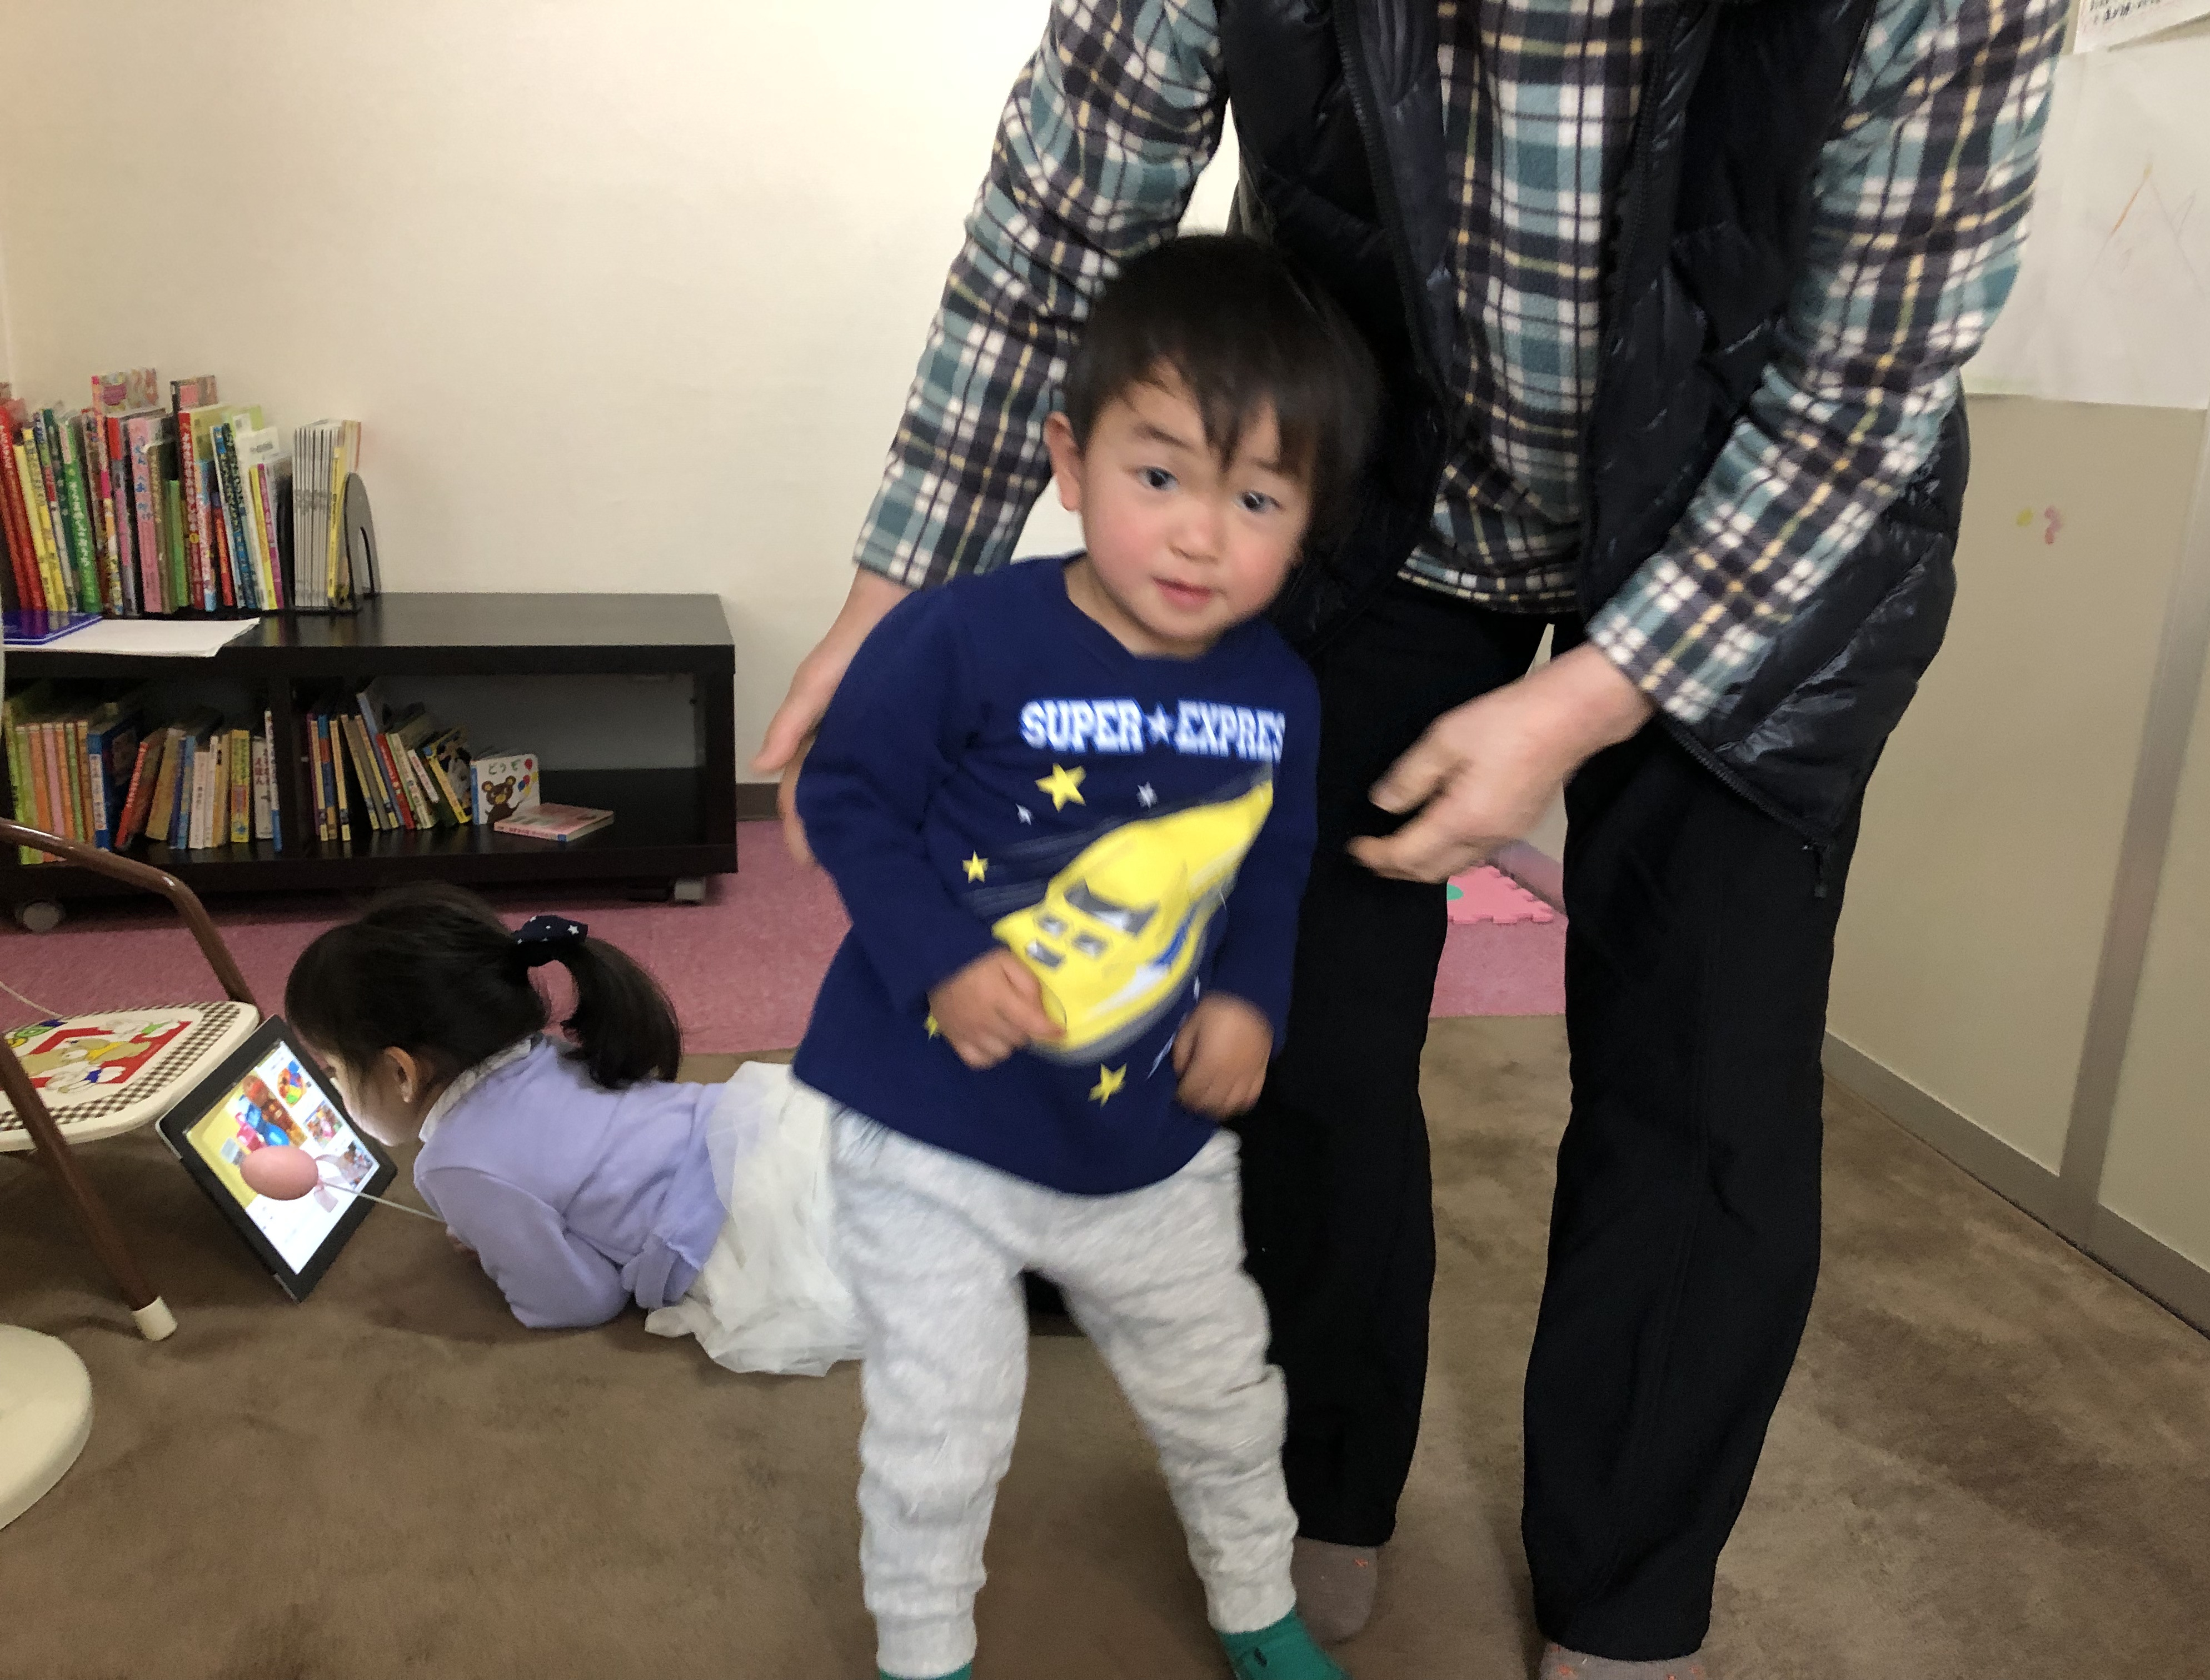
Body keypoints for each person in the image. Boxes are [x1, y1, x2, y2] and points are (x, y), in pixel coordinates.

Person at [757, 3, 2066, 1674]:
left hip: (1758, 517)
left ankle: (1628, 1590)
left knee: (1709, 1069)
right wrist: (899, 593)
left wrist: (1585, 701)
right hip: (1385, 499)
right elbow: (1063, 219)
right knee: (1300, 1020)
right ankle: (1314, 1481)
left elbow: (1866, 388)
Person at [790, 235, 1376, 1680]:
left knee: (1226, 1398)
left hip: (1149, 1143)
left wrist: (1250, 999)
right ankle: (923, 1653)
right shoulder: (960, 635)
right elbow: (846, 798)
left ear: (1308, 521)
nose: (1200, 537)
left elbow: (1275, 866)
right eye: (1160, 475)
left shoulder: (1280, 691)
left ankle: (1259, 1608)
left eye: (1257, 499)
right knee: (944, 1422)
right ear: (1071, 460)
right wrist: (940, 958)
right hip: (931, 1135)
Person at [285, 883, 860, 1377]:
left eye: (333, 1068)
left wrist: (504, 1253)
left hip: (741, 1229)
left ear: (401, 1073)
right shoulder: (540, 1051)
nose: (331, 1083)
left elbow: (581, 1300)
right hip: (765, 1131)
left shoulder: (453, 1166)